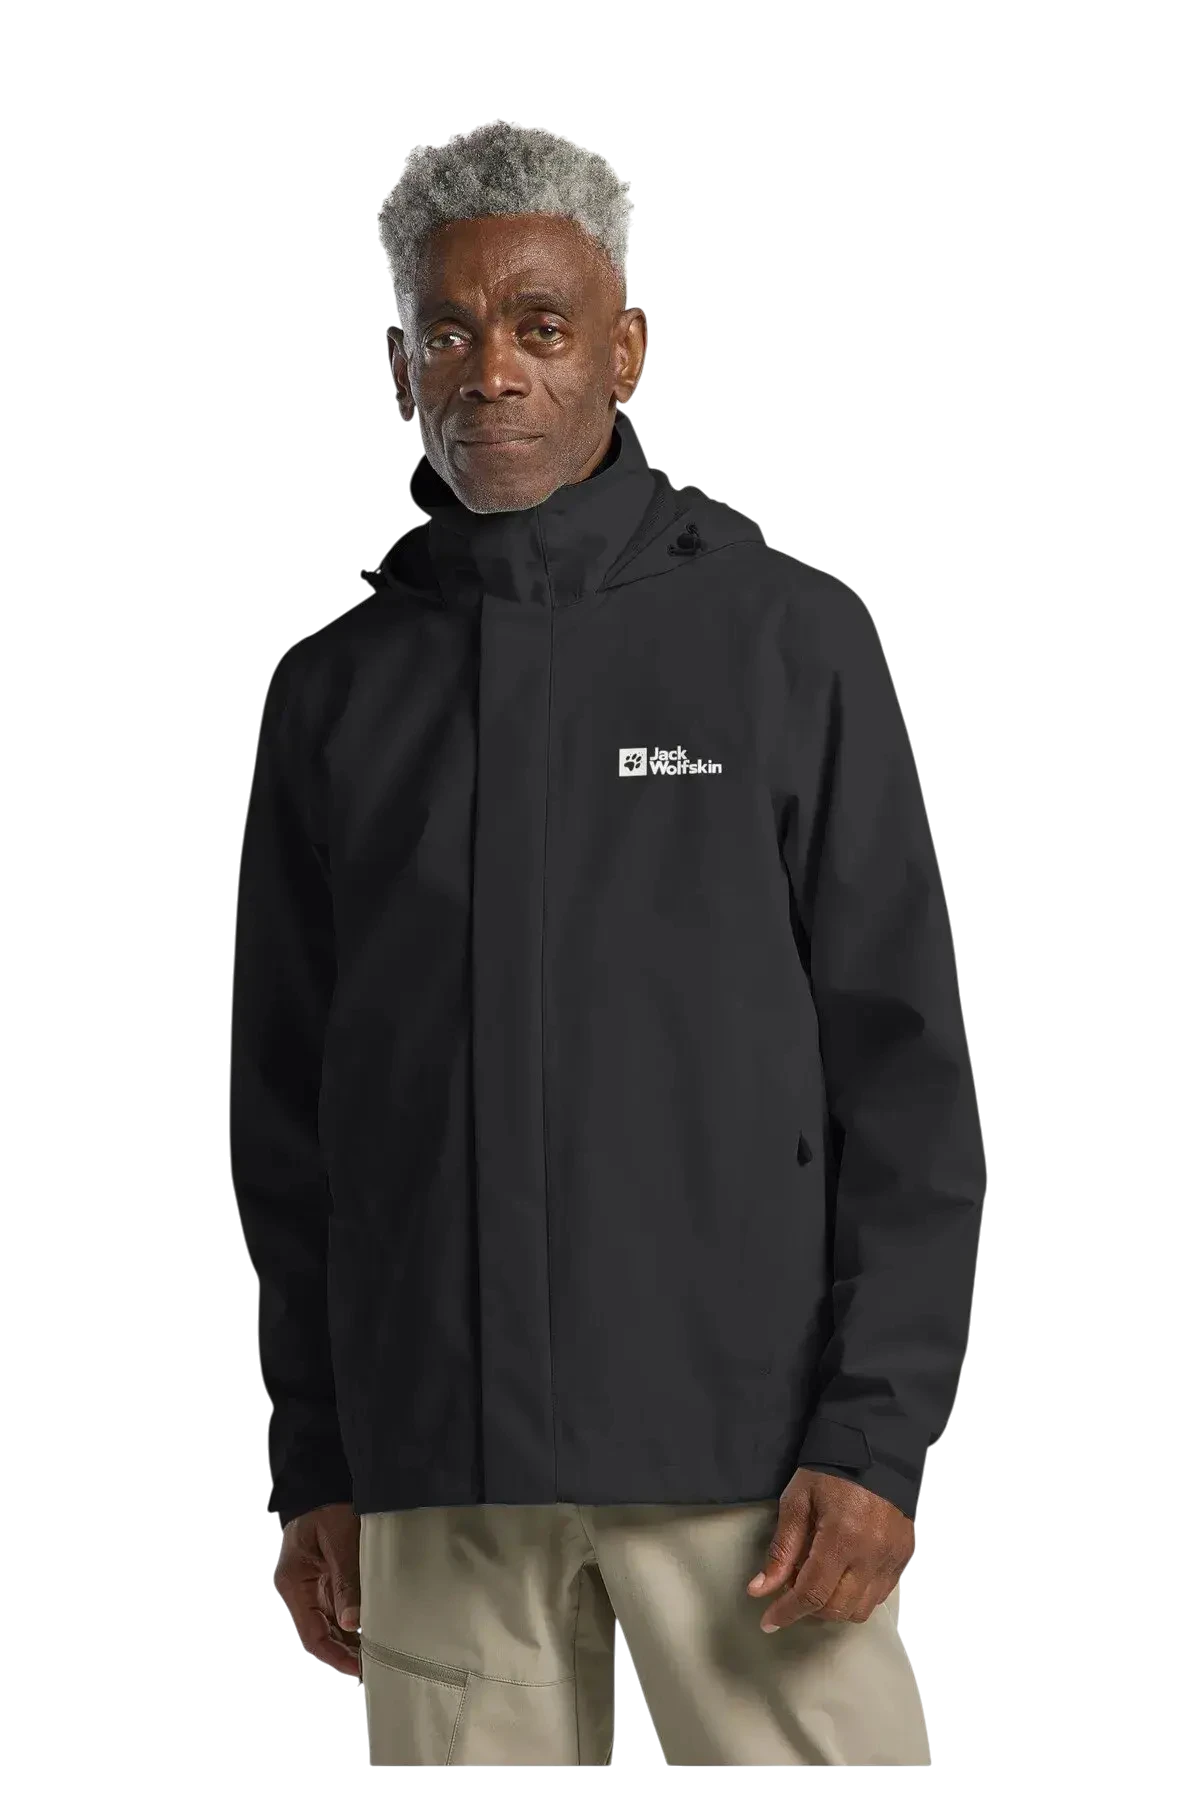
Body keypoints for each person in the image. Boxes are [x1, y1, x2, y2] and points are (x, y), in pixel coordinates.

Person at [231, 118, 985, 1768]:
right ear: (398, 367)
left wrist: (875, 1437)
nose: (492, 372)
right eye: (447, 333)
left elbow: (905, 1075)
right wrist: (322, 1464)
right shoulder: (336, 695)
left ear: (625, 350)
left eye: (540, 326)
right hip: (438, 1467)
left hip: (749, 1468)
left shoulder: (786, 640)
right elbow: (290, 1125)